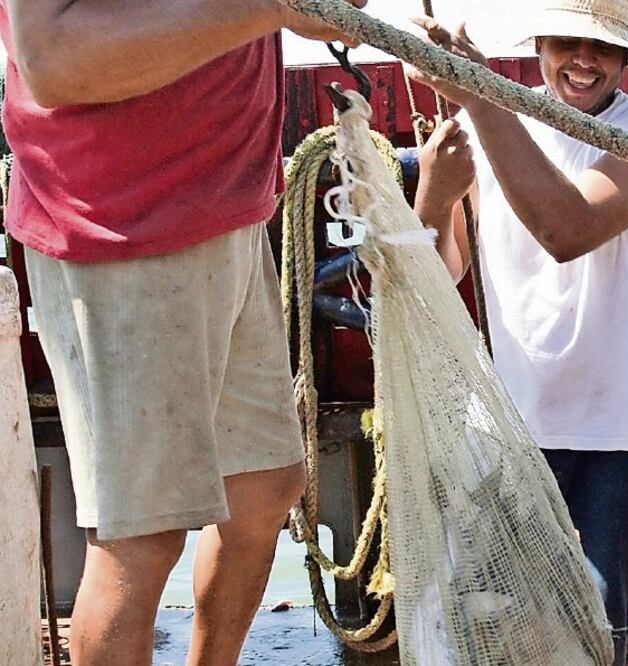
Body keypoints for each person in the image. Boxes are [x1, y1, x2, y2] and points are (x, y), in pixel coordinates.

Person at [0, 2, 364, 664]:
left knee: (263, 488)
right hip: (119, 225)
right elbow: (52, 60)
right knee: (140, 540)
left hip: (227, 208)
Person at [406, 1, 628, 662]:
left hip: (616, 437)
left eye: (603, 47)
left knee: (596, 633)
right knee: (487, 628)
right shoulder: (481, 124)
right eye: (567, 41)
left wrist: (480, 97)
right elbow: (433, 271)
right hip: (506, 432)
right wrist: (433, 188)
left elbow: (566, 229)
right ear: (539, 43)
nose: (584, 60)